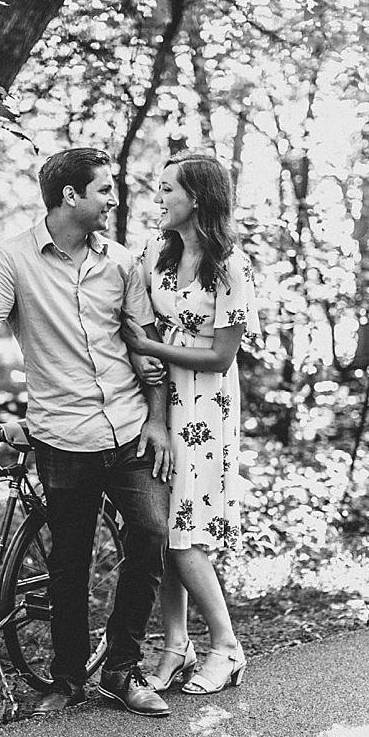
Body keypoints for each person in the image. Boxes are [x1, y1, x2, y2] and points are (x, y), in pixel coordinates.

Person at [0, 148, 175, 718]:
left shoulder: (121, 262)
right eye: (103, 190)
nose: (113, 200)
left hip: (126, 428)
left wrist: (160, 422)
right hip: (62, 435)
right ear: (70, 196)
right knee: (69, 564)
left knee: (150, 535)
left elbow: (145, 346)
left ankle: (121, 669)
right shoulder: (13, 261)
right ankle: (67, 679)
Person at [121, 152, 258, 696]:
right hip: (158, 399)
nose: (159, 200)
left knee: (184, 535)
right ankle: (176, 646)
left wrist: (147, 346)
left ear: (196, 198)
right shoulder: (157, 252)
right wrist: (141, 356)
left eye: (167, 190)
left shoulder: (231, 266)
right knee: (160, 529)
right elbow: (134, 311)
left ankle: (227, 647)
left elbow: (223, 357)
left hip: (205, 406)